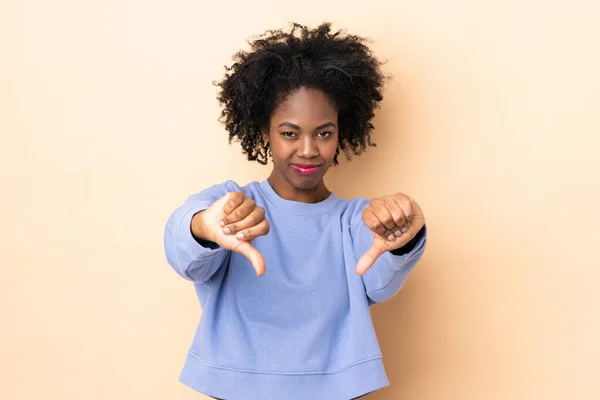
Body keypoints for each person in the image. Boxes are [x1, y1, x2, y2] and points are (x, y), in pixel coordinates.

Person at [164, 22, 427, 400]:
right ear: (263, 133)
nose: (308, 149)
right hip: (235, 390)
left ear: (341, 133)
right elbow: (184, 252)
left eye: (324, 133)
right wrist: (204, 226)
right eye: (289, 133)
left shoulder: (356, 219)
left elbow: (379, 284)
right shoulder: (233, 206)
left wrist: (401, 241)